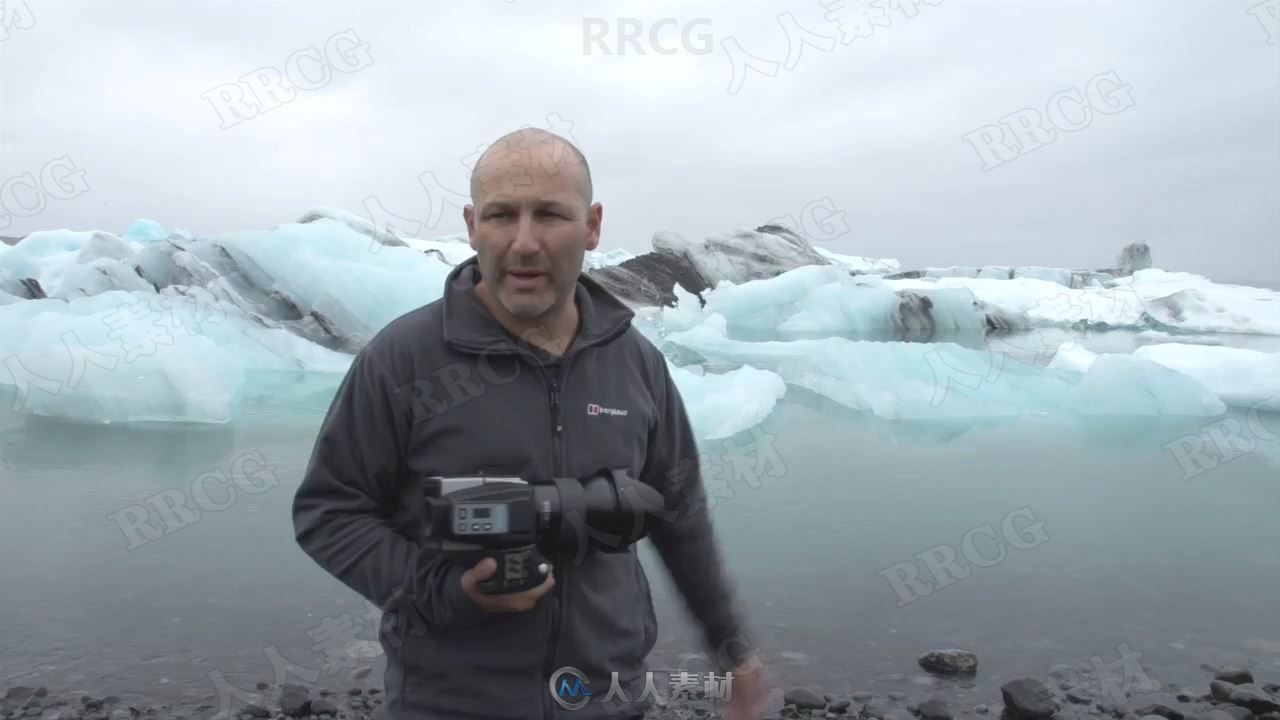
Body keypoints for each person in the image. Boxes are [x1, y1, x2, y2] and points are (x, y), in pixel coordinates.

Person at [291, 128, 769, 720]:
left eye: (549, 215)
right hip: (450, 704)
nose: (523, 243)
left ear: (592, 225)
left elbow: (682, 515)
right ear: (471, 225)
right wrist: (440, 591)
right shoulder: (404, 359)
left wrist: (730, 650)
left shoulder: (635, 363)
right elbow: (329, 511)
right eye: (500, 216)